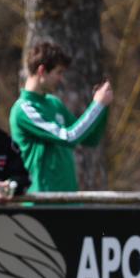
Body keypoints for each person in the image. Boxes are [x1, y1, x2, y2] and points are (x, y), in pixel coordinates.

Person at [9, 42, 113, 192]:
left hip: (69, 198)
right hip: (41, 201)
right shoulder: (23, 109)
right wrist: (97, 105)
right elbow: (69, 137)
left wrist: (103, 107)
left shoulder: (54, 103)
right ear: (42, 71)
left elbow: (91, 139)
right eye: (58, 72)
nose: (61, 78)